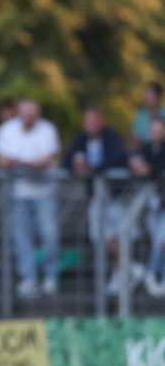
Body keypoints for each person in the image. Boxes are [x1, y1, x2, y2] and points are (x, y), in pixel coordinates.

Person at [63, 107, 134, 294]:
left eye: (94, 121)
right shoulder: (81, 139)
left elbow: (117, 158)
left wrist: (92, 168)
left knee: (118, 234)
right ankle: (124, 269)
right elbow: (67, 160)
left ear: (101, 121)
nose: (91, 125)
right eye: (87, 121)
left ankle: (124, 270)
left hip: (114, 194)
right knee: (98, 235)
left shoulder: (111, 137)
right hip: (96, 195)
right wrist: (76, 166)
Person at [0, 100, 60, 299]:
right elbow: (2, 160)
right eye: (26, 114)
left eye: (33, 114)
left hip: (44, 193)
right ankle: (29, 278)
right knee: (21, 238)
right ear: (19, 114)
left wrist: (19, 162)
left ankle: (50, 276)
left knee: (49, 234)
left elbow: (45, 161)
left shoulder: (48, 130)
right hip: (18, 194)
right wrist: (28, 163)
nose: (29, 117)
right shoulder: (7, 130)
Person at [129, 117, 165, 296]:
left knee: (161, 241)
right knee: (157, 241)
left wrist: (149, 169)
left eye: (159, 130)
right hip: (153, 204)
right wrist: (138, 165)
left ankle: (150, 272)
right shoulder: (147, 148)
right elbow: (133, 161)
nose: (156, 133)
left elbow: (157, 167)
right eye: (153, 130)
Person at [130, 82, 165, 149]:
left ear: (158, 98)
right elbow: (135, 137)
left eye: (148, 96)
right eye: (145, 96)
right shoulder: (140, 115)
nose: (145, 98)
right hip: (144, 151)